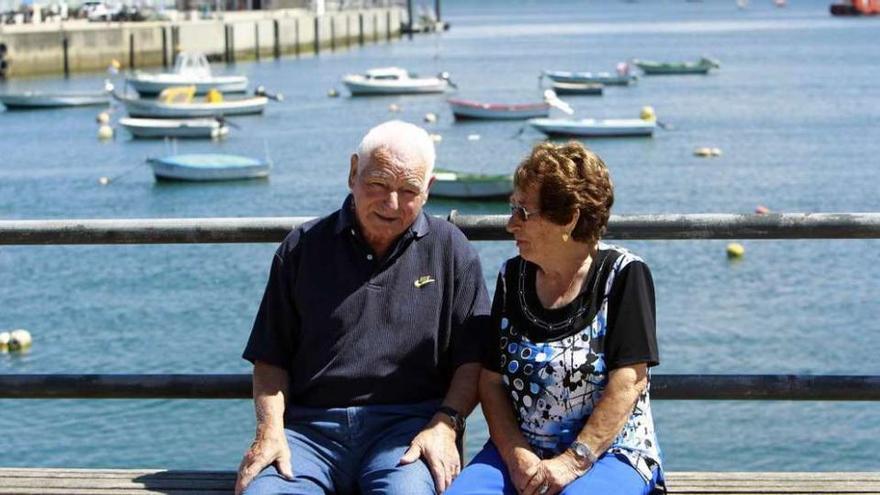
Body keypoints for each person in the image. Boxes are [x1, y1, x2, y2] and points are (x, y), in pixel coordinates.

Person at [236, 120, 490, 495]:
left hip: (405, 433)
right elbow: (270, 358)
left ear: (428, 190)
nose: (392, 204)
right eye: (378, 185)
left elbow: (473, 359)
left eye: (409, 191)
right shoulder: (302, 248)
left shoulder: (451, 250)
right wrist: (269, 432)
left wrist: (445, 423)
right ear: (353, 172)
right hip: (310, 434)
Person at [447, 142, 665, 495]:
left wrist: (571, 462)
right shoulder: (511, 276)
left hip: (608, 453)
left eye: (523, 212)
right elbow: (490, 382)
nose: (510, 224)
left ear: (569, 218)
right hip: (520, 452)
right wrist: (517, 456)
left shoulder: (624, 275)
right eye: (511, 208)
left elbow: (629, 383)